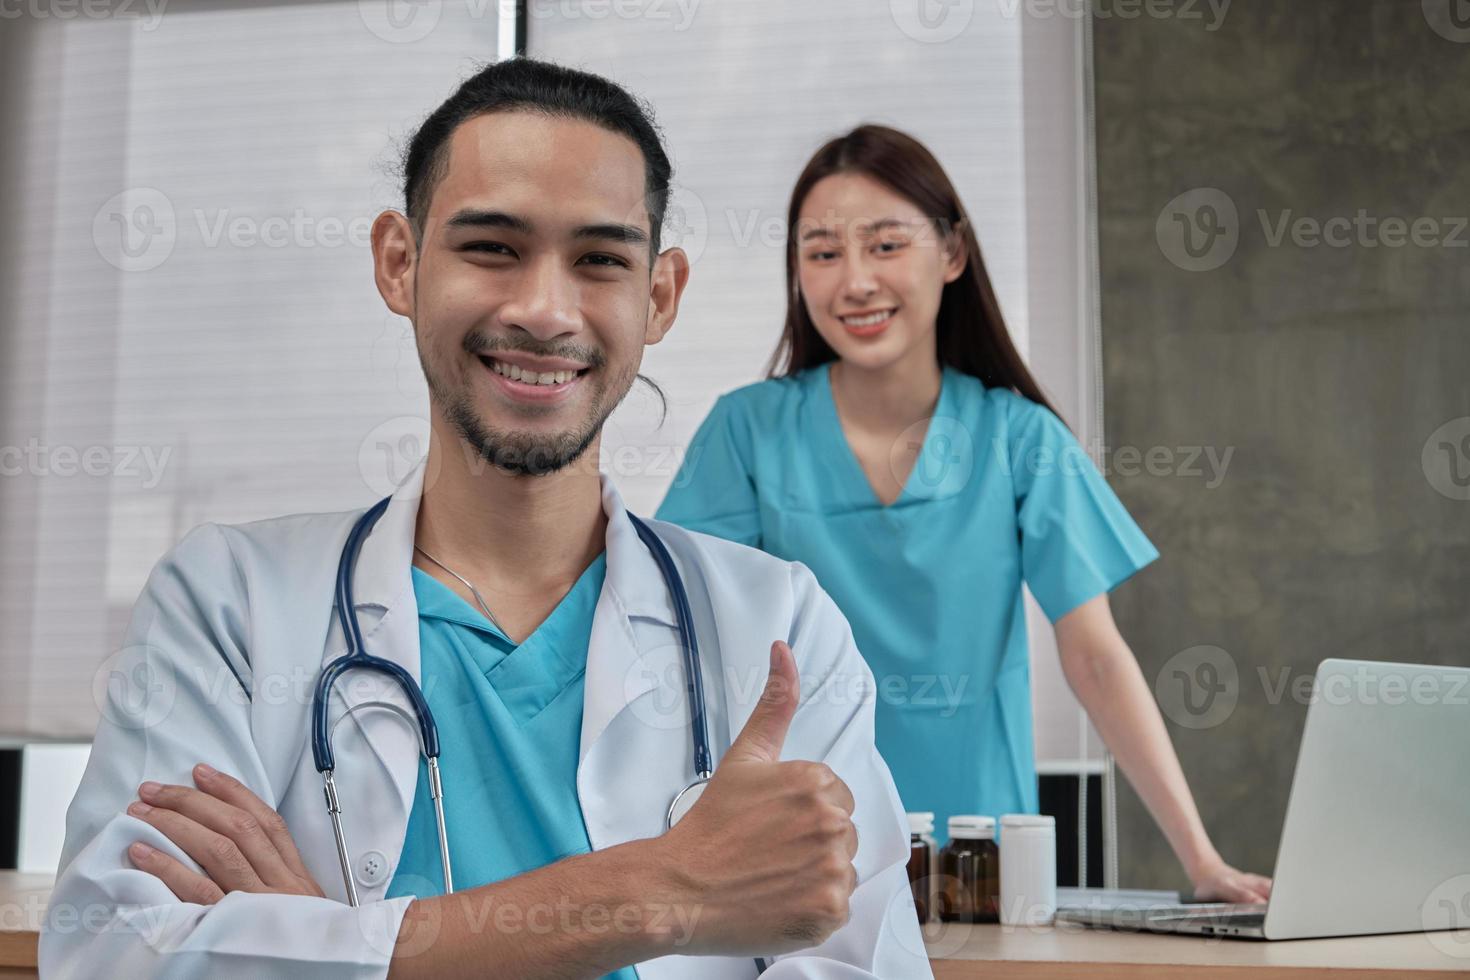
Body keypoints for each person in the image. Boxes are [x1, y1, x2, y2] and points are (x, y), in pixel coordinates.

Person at [40, 62, 933, 979]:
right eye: (492, 247)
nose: (545, 310)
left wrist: (328, 946)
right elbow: (114, 954)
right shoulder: (230, 602)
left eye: (600, 259)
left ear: (659, 296)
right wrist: (665, 890)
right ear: (400, 262)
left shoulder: (779, 629)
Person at [656, 125, 1272, 904]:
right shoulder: (747, 433)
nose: (854, 281)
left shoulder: (1020, 440)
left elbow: (1096, 658)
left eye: (885, 245)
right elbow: (680, 640)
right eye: (822, 252)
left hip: (980, 870)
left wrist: (1203, 863)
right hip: (802, 861)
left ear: (952, 254)